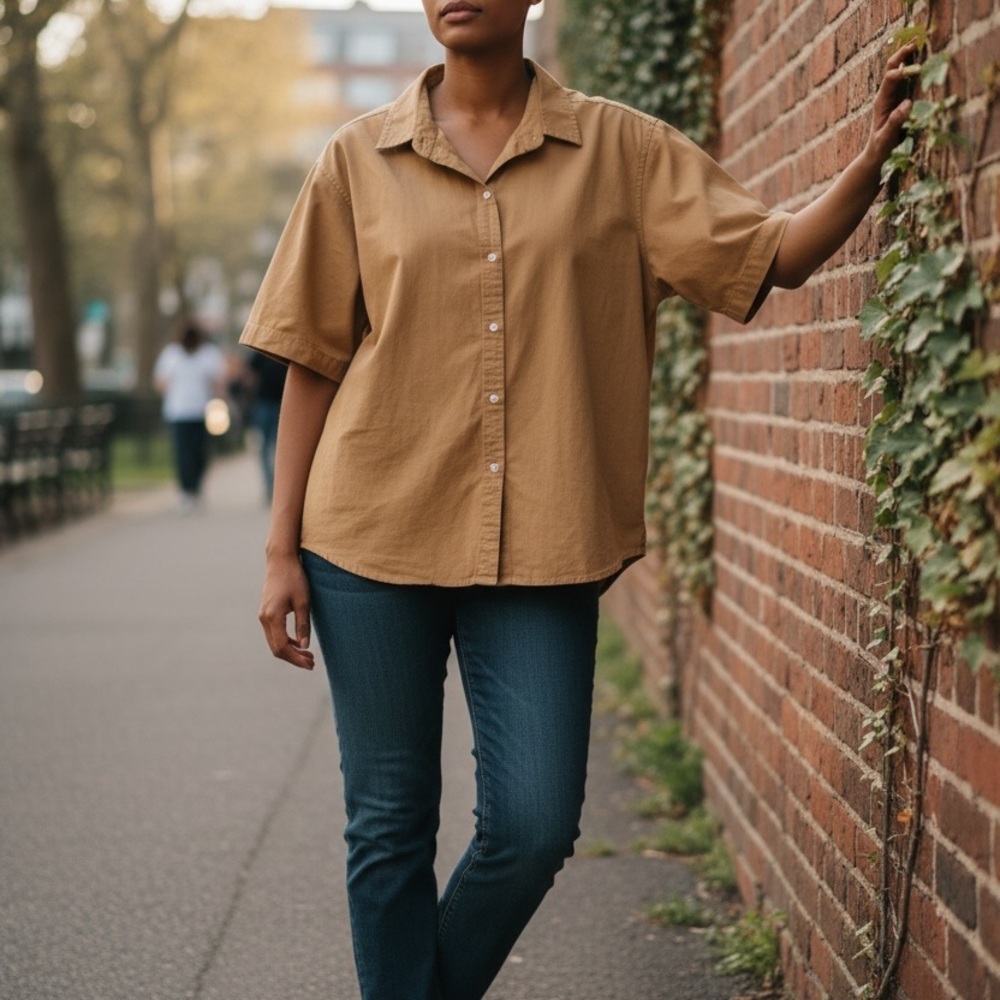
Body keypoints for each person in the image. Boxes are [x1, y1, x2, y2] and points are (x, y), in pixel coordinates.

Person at [240, 3, 914, 997]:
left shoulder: (623, 151)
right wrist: (278, 549)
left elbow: (771, 255)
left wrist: (870, 162)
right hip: (368, 536)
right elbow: (310, 358)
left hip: (546, 539)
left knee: (536, 821)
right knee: (387, 822)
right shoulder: (355, 159)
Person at [153, 320, 225, 512]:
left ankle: (196, 486)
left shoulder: (208, 354)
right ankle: (186, 490)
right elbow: (160, 381)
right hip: (178, 413)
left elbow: (218, 381)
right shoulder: (171, 355)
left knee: (200, 453)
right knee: (183, 454)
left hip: (202, 412)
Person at [243, 348, 287, 504]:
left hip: (282, 405)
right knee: (266, 447)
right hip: (266, 404)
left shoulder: (284, 348)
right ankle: (271, 486)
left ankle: (277, 487)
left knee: (278, 448)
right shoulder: (261, 351)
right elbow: (250, 375)